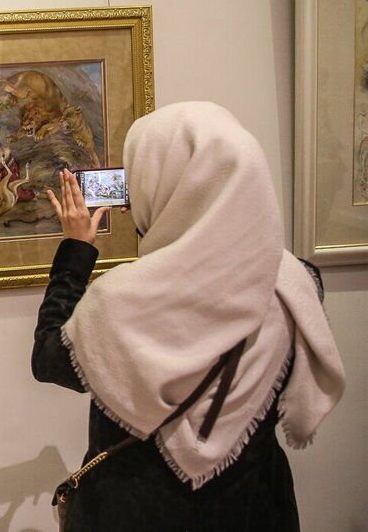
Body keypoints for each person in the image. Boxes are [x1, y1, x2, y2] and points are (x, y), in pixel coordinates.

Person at [32, 102, 345, 531]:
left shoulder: (123, 300)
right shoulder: (297, 283)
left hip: (133, 513)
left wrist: (76, 250)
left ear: (166, 190)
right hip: (256, 509)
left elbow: (49, 358)